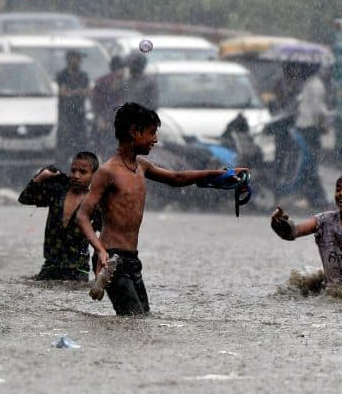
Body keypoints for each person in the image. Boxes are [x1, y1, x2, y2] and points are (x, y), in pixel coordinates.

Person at [76, 102, 248, 316]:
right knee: (133, 321)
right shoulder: (108, 171)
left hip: (132, 259)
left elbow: (177, 178)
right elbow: (82, 215)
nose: (155, 140)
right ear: (134, 132)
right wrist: (100, 251)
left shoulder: (142, 166)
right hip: (111, 259)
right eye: (151, 133)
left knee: (142, 318)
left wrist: (219, 174)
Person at [18, 151, 102, 281]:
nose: (76, 175)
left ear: (94, 175)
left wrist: (98, 274)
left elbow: (102, 239)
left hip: (78, 270)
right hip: (50, 266)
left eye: (82, 172)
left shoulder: (95, 203)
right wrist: (40, 177)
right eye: (73, 171)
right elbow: (25, 198)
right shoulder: (58, 189)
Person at [292, 62, 331, 207]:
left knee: (309, 164)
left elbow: (316, 109)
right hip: (309, 129)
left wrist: (325, 116)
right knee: (309, 163)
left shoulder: (314, 85)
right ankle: (315, 196)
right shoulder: (313, 84)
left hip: (308, 129)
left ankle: (314, 196)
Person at [56, 50, 90, 164]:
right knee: (64, 147)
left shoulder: (83, 76)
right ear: (69, 60)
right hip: (65, 116)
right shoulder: (62, 75)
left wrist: (73, 92)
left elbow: (87, 92)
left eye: (79, 59)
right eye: (75, 58)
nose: (77, 62)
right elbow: (63, 93)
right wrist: (78, 92)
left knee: (81, 146)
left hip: (80, 115)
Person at [91, 55, 127, 158]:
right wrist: (100, 118)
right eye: (121, 69)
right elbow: (97, 102)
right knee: (107, 149)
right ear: (116, 69)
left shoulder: (124, 82)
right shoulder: (103, 82)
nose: (123, 72)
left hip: (118, 122)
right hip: (107, 121)